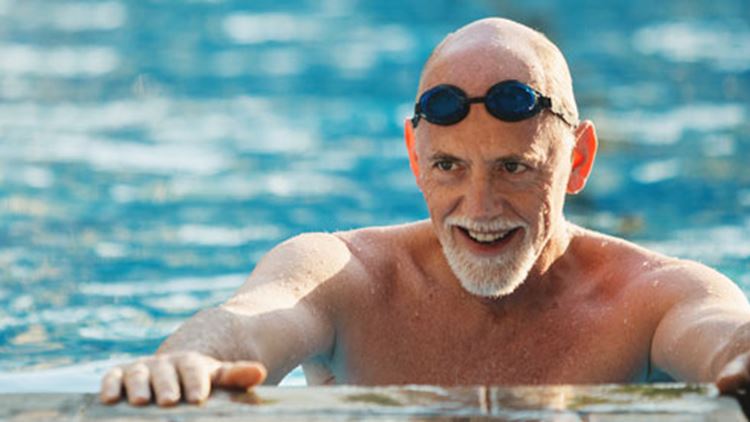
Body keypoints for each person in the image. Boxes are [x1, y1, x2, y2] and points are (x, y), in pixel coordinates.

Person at [100, 17, 750, 407]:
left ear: (578, 163)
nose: (481, 208)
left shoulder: (650, 299)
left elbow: (721, 331)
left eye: (514, 168)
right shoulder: (343, 276)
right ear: (415, 157)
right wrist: (186, 359)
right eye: (449, 167)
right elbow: (247, 323)